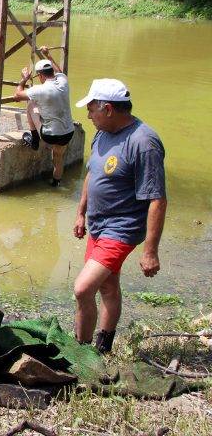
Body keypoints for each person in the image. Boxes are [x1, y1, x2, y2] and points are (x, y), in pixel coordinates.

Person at [72, 79, 167, 354]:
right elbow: (93, 172)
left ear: (109, 108)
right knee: (107, 287)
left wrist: (150, 250)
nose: (88, 115)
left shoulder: (144, 142)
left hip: (122, 228)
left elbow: (157, 198)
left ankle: (81, 351)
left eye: (92, 109)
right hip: (99, 225)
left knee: (82, 289)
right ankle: (104, 346)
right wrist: (81, 213)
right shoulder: (102, 132)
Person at [13, 46, 76, 187]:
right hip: (68, 132)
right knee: (58, 156)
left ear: (40, 76)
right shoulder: (63, 80)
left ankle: (35, 139)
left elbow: (16, 96)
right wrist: (48, 55)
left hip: (50, 135)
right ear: (52, 71)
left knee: (30, 105)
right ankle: (56, 183)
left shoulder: (39, 89)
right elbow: (59, 71)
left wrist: (23, 80)